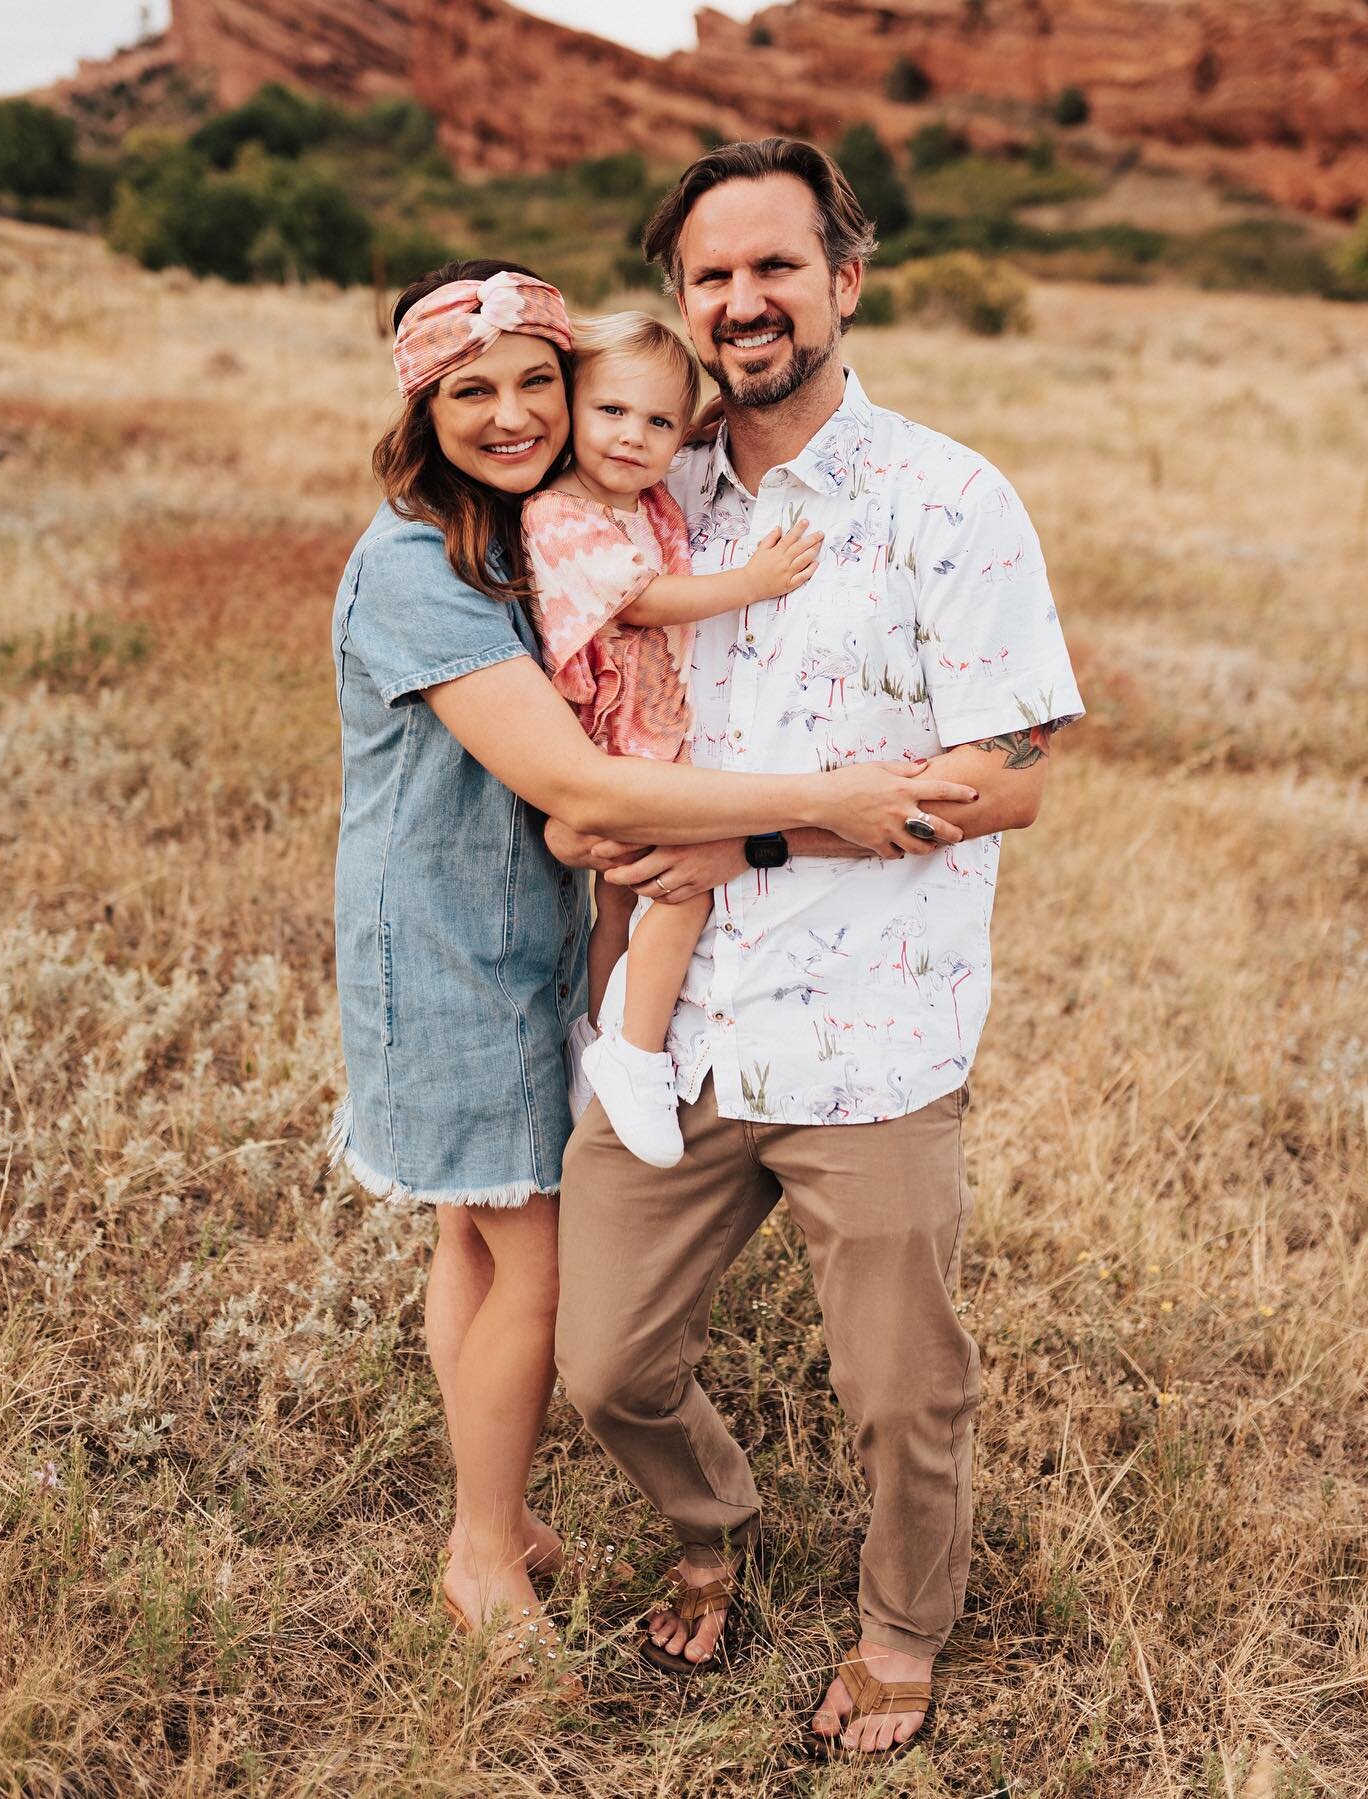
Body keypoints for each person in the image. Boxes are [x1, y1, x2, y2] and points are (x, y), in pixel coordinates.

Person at [327, 258, 982, 1678]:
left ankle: (485, 1507)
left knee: (472, 1233)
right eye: (470, 391)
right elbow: (580, 784)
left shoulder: (520, 526)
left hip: (515, 935)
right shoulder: (413, 564)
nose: (510, 413)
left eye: (532, 384)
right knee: (541, 1271)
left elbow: (680, 432)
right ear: (416, 407)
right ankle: (485, 1549)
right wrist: (815, 809)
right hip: (453, 954)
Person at [550, 138, 1084, 1755]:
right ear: (680, 303)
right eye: (710, 274)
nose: (742, 299)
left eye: (776, 265)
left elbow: (1017, 775)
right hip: (675, 1021)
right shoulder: (641, 497)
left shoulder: (947, 496)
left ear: (844, 281)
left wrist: (756, 834)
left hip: (872, 1030)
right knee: (608, 1361)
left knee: (904, 1391)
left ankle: (902, 1629)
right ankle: (709, 1518)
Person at [524, 311, 822, 1167]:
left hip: (649, 731)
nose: (633, 436)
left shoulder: (644, 495)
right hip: (619, 744)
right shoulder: (561, 516)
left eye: (657, 423)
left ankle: (595, 1032)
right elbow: (644, 600)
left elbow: (675, 423)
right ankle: (635, 1051)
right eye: (611, 412)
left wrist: (699, 415)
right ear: (571, 410)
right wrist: (753, 582)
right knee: (683, 886)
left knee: (619, 899)